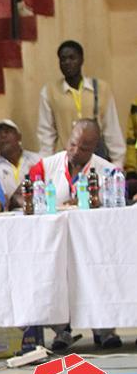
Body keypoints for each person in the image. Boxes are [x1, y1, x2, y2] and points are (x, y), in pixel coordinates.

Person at [27, 120, 122, 351]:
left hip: (93, 242)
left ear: (95, 147)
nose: (76, 151)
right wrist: (42, 202)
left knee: (98, 280)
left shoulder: (108, 171)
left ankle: (103, 330)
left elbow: (119, 203)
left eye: (84, 148)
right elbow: (23, 194)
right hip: (55, 242)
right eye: (72, 144)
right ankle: (62, 331)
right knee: (54, 281)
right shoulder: (45, 166)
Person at [37, 40, 126, 168]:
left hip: (97, 159)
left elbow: (111, 128)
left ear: (81, 60)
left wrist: (118, 162)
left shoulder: (101, 89)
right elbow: (46, 134)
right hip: (68, 161)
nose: (67, 63)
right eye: (63, 59)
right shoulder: (50, 92)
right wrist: (46, 166)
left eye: (72, 58)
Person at [0, 119, 42, 210]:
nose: (3, 136)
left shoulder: (37, 160)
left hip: (39, 211)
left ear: (19, 137)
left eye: (7, 132)